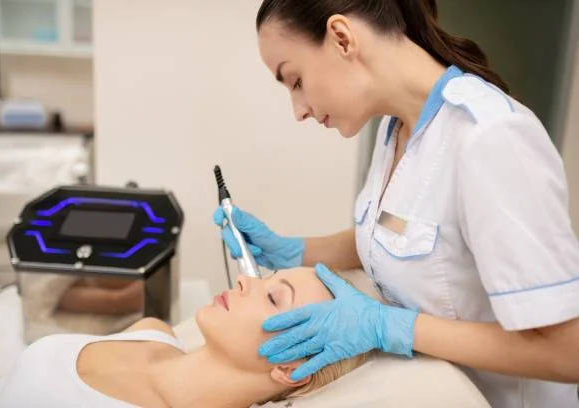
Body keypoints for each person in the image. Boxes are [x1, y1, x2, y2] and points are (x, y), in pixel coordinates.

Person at [213, 1, 579, 407]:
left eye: (296, 81)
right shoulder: (395, 130)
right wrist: (292, 250)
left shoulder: (490, 136)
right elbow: (401, 235)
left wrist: (389, 326)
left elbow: (567, 352)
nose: (298, 111)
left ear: (342, 38)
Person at [0, 268, 370, 408]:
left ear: (291, 367)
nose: (245, 281)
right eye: (263, 277)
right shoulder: (151, 332)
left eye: (273, 296)